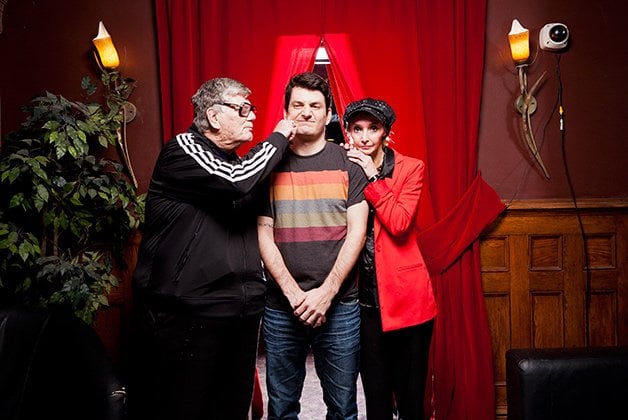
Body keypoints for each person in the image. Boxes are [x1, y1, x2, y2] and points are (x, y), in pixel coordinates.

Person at [130, 77, 296, 420]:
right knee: (183, 408)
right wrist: (279, 136)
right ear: (214, 116)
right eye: (243, 109)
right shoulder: (183, 149)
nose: (252, 116)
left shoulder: (237, 164)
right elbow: (236, 181)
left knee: (231, 408)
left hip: (241, 307)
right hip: (189, 309)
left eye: (252, 109)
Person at [257, 72, 369, 419]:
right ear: (286, 112)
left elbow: (357, 233)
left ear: (328, 113)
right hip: (281, 306)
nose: (306, 112)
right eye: (298, 105)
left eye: (315, 106)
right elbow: (263, 233)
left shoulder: (350, 164)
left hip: (340, 306)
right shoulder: (267, 165)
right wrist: (294, 295)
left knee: (343, 408)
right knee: (281, 408)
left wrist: (326, 293)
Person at [343, 97, 437, 420]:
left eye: (373, 128)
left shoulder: (411, 167)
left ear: (386, 132)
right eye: (357, 129)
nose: (365, 137)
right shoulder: (344, 168)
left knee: (411, 400)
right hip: (365, 303)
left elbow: (398, 223)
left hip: (408, 299)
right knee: (376, 398)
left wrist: (372, 176)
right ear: (348, 133)